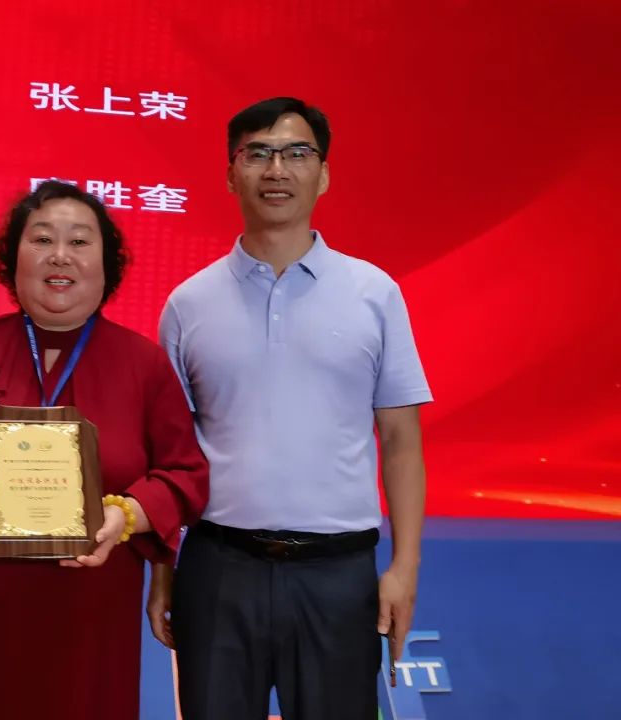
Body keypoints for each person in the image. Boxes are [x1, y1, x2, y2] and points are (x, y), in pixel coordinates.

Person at [0, 180, 208, 720]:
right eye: (42, 239)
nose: (60, 255)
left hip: (90, 605)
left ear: (107, 265)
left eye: (79, 242)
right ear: (14, 260)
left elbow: (185, 474)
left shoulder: (143, 363)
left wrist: (126, 515)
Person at [148, 97, 432, 720]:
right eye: (257, 154)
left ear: (323, 174)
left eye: (297, 153)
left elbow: (401, 440)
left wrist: (404, 567)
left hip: (338, 574)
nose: (277, 169)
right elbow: (170, 456)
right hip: (219, 569)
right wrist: (163, 573)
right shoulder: (188, 304)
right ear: (231, 174)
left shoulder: (374, 293)